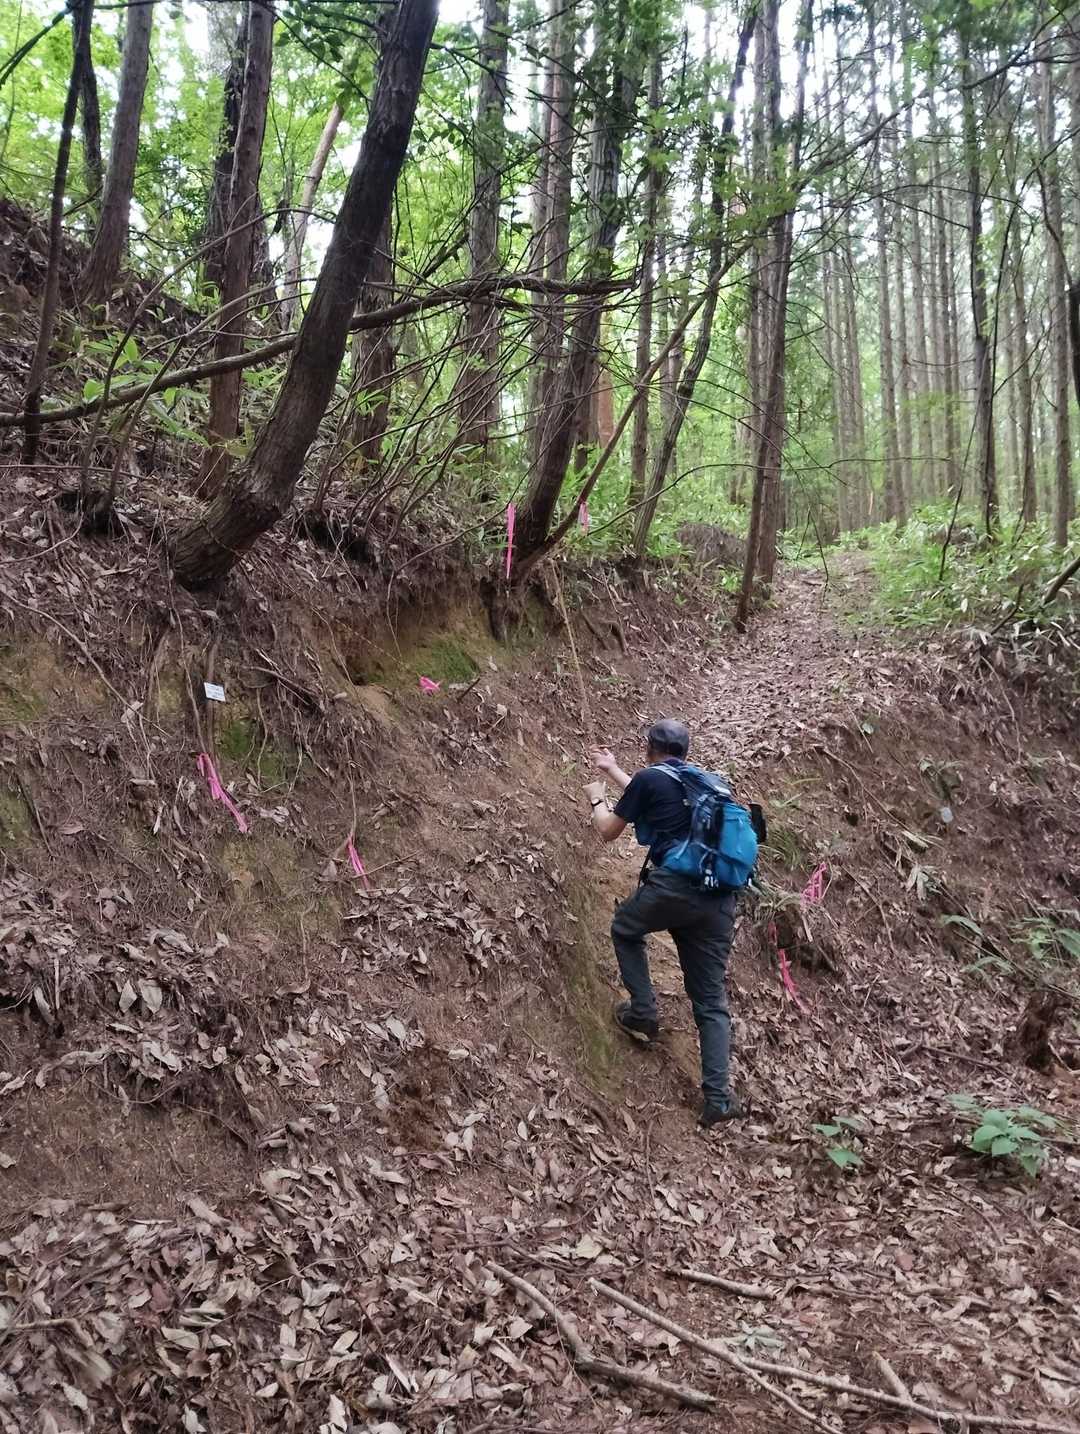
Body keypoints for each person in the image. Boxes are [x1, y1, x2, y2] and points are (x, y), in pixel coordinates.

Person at [584, 718, 745, 1128]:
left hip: (674, 889)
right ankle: (718, 1099)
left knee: (625, 928)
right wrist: (612, 768)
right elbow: (649, 797)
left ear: (649, 748)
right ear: (685, 752)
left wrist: (597, 798)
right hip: (719, 899)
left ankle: (643, 1012)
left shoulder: (650, 779)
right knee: (710, 1000)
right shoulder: (702, 784)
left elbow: (608, 831)